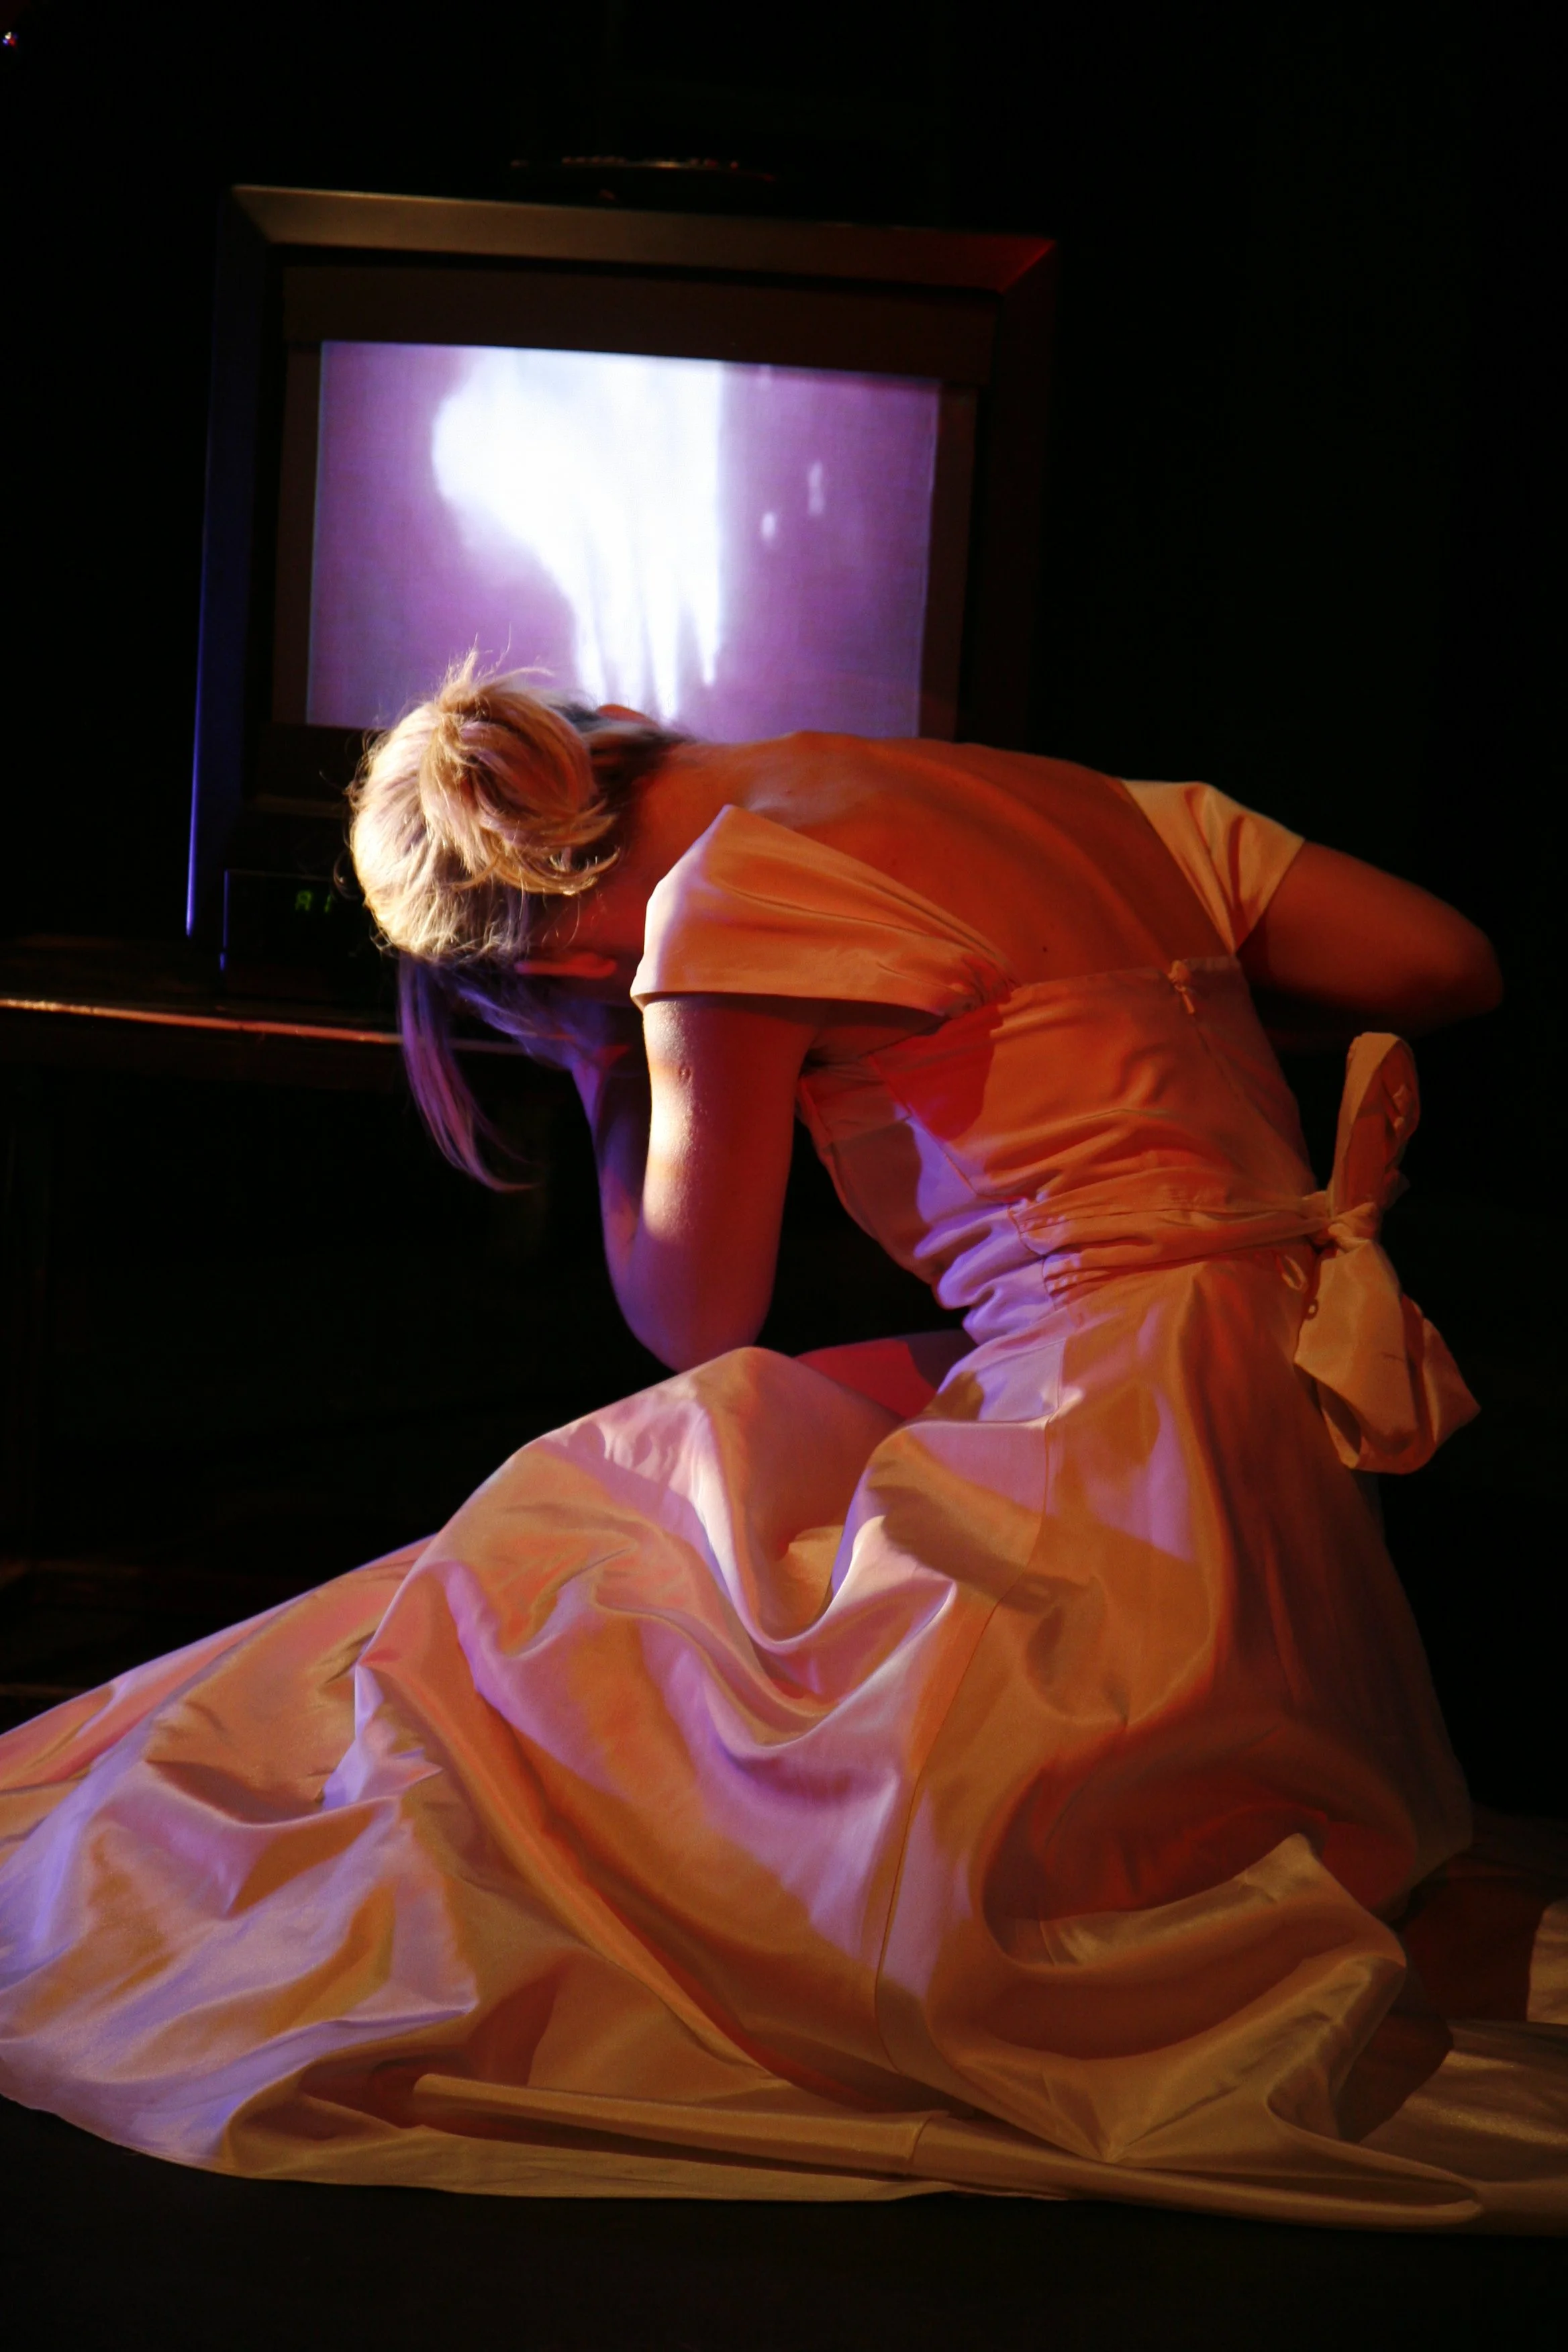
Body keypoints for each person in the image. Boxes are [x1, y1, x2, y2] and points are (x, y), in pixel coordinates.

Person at [1, 663, 1563, 2226]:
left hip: (1122, 1445)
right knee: (744, 1474)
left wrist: (605, 1073)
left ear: (553, 944)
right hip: (1274, 1421)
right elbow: (1443, 964)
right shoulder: (1049, 794)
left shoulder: (725, 905)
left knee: (583, 1554)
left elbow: (694, 1309)